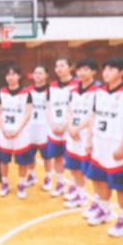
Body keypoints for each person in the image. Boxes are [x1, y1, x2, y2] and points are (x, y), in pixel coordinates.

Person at [85, 57, 123, 237]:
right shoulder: (99, 91)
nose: (106, 72)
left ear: (122, 71)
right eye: (105, 69)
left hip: (118, 145)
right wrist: (89, 140)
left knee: (121, 186)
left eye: (111, 69)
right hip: (100, 143)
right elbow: (93, 117)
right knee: (99, 179)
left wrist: (122, 146)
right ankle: (104, 209)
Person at [62, 58, 101, 211]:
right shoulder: (73, 91)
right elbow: (69, 111)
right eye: (79, 69)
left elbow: (94, 114)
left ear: (93, 72)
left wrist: (77, 129)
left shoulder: (99, 90)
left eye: (85, 69)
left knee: (92, 170)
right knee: (74, 167)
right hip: (73, 134)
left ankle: (98, 201)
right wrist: (71, 128)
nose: (81, 73)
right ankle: (81, 195)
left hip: (88, 134)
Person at [0, 65, 35, 198]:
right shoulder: (1, 92)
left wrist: (18, 130)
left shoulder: (26, 93)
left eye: (13, 74)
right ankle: (5, 183)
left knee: (22, 161)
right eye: (8, 74)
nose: (10, 77)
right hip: (4, 132)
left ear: (19, 76)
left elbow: (28, 113)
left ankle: (21, 185)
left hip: (21, 132)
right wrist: (3, 129)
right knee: (3, 160)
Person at [45, 58, 75, 196]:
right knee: (57, 157)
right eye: (56, 66)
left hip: (71, 128)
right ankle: (60, 183)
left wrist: (66, 125)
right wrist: (52, 124)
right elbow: (48, 106)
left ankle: (74, 185)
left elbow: (76, 109)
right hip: (55, 128)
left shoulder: (77, 85)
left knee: (73, 158)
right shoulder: (52, 86)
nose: (59, 68)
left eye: (62, 65)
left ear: (71, 67)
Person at [28, 64, 56, 192]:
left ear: (46, 75)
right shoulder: (28, 91)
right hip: (30, 126)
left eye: (40, 73)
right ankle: (31, 175)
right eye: (36, 73)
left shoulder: (51, 91)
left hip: (45, 127)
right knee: (30, 154)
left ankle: (48, 177)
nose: (38, 75)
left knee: (47, 156)